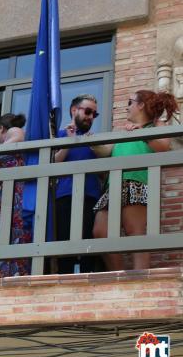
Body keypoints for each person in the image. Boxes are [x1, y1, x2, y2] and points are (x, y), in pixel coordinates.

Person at [92, 90, 179, 270]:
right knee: (100, 232)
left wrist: (141, 133)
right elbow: (105, 151)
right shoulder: (123, 131)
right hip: (113, 185)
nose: (127, 107)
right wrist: (90, 139)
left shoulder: (156, 125)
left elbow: (163, 146)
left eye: (130, 102)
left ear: (141, 105)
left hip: (138, 182)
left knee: (135, 232)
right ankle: (118, 276)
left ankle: (140, 278)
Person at [52, 94, 104, 274]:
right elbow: (54, 164)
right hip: (64, 196)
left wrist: (95, 147)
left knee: (89, 245)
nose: (91, 117)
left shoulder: (94, 140)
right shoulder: (59, 135)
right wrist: (68, 140)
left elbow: (103, 171)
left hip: (91, 197)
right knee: (64, 244)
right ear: (74, 111)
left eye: (94, 114)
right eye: (88, 111)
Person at [0, 113, 31, 278]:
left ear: (0, 128)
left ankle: (13, 274)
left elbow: (18, 133)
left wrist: (1, 147)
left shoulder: (14, 133)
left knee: (12, 233)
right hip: (0, 198)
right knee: (0, 234)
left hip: (12, 197)